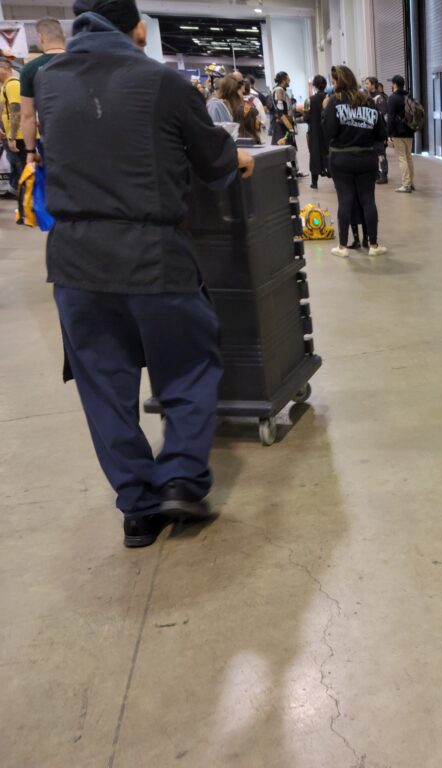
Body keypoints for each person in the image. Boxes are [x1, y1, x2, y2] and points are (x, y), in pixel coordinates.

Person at [35, 0, 255, 547]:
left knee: (103, 388)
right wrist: (237, 161)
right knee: (188, 368)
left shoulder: (48, 81)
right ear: (137, 28)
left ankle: (137, 507)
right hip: (152, 255)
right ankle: (180, 478)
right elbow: (214, 163)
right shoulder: (162, 82)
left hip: (75, 262)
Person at [322, 64, 387, 257]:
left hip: (341, 158)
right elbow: (381, 133)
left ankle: (342, 246)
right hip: (367, 158)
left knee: (345, 200)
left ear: (339, 82)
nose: (332, 86)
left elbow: (328, 133)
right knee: (368, 200)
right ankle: (373, 245)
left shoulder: (334, 102)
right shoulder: (369, 102)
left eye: (333, 82)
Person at [19, 18, 66, 167]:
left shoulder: (31, 69)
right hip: (87, 139)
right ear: (64, 35)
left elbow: (27, 116)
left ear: (40, 38)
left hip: (52, 142)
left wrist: (30, 151)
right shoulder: (83, 62)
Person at [385, 74, 415, 192]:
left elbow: (391, 117)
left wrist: (388, 134)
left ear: (395, 85)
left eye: (392, 84)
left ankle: (406, 185)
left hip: (398, 132)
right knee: (408, 157)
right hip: (410, 131)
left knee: (402, 158)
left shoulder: (393, 98)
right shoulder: (409, 95)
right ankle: (410, 182)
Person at [0, 58, 26, 187]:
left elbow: (15, 111)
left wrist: (12, 137)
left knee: (23, 172)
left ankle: (27, 203)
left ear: (3, 69)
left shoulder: (13, 84)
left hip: (19, 137)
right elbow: (4, 109)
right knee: (18, 171)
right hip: (13, 135)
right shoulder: (5, 85)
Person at [305, 74, 328, 189]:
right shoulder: (331, 98)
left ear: (314, 86)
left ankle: (314, 182)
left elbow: (306, 118)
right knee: (329, 153)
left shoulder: (309, 100)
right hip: (328, 132)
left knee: (314, 155)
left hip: (314, 132)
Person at [364, 76, 388, 184]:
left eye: (368, 83)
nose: (366, 86)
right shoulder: (367, 97)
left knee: (381, 153)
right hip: (370, 130)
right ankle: (376, 173)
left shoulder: (379, 98)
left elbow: (382, 114)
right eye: (366, 84)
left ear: (373, 85)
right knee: (373, 154)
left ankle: (384, 175)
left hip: (378, 130)